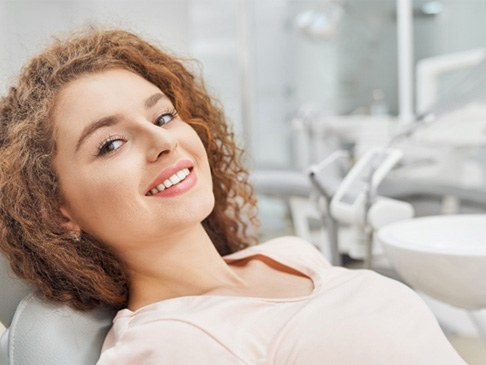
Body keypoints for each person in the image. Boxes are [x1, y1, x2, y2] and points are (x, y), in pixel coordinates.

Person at [0, 28, 466, 365]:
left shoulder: (288, 254)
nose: (164, 142)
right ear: (56, 212)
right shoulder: (167, 345)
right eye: (111, 144)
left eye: (162, 118)